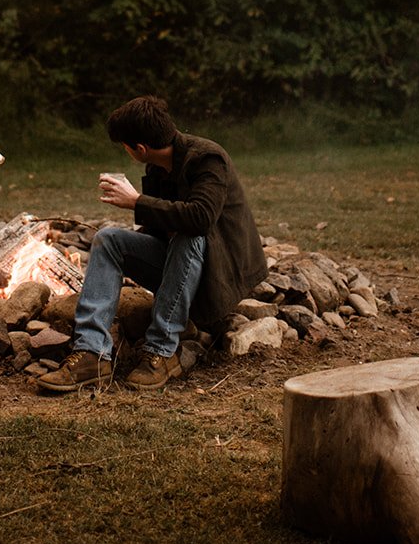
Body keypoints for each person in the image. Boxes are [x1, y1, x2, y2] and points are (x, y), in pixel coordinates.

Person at [36, 95, 268, 393]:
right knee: (109, 239)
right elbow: (160, 229)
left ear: (140, 148)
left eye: (125, 145)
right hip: (181, 268)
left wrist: (136, 201)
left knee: (189, 234)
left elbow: (200, 219)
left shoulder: (208, 159)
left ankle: (161, 351)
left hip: (217, 275)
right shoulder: (157, 168)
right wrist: (136, 236)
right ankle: (92, 354)